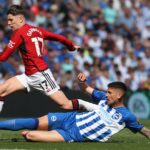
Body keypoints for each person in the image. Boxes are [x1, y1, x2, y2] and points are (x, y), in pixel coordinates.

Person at [0, 72, 150, 142]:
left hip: (74, 135)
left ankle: (35, 134)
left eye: (110, 93)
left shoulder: (126, 116)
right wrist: (82, 81)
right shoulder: (103, 97)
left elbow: (143, 130)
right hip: (70, 118)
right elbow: (85, 88)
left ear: (119, 96)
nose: (106, 95)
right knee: (35, 122)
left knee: (30, 135)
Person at [0, 5, 81, 112]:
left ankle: (93, 108)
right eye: (8, 20)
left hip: (41, 75)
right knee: (1, 91)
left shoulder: (19, 33)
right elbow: (60, 38)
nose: (9, 23)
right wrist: (71, 47)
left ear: (20, 19)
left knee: (65, 104)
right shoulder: (37, 30)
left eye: (11, 20)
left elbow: (3, 57)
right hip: (28, 76)